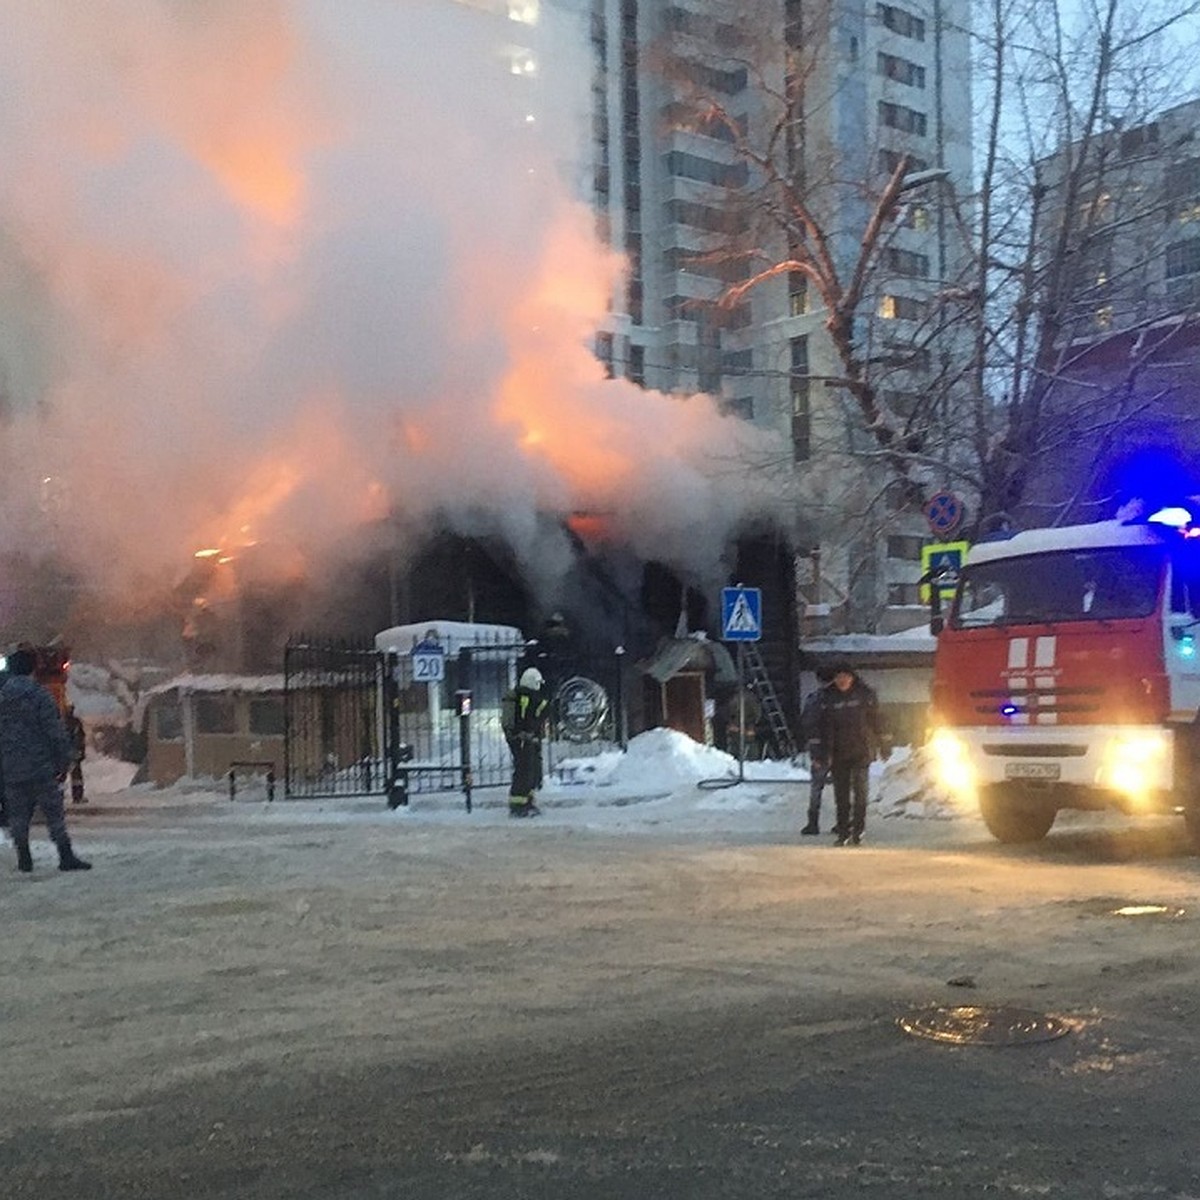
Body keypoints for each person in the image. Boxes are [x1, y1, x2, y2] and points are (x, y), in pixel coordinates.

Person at [0, 647, 91, 873]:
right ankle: (65, 855)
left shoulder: (2, 697)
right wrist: (64, 760)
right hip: (40, 766)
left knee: (18, 815)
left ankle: (24, 857)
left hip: (11, 767)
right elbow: (54, 731)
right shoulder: (39, 696)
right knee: (54, 813)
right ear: (33, 668)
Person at [815, 662, 884, 847]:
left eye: (845, 677)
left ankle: (858, 830)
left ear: (852, 678)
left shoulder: (864, 694)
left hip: (861, 751)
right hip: (838, 753)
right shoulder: (827, 698)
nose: (842, 681)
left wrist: (884, 743)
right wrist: (821, 753)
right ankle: (843, 831)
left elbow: (877, 720)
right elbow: (821, 728)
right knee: (841, 796)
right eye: (838, 677)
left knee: (861, 794)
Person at [505, 666, 549, 818]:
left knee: (529, 770)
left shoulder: (525, 697)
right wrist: (522, 735)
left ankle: (527, 801)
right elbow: (525, 720)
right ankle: (518, 805)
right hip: (522, 739)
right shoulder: (523, 698)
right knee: (523, 771)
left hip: (526, 739)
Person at [798, 668, 833, 835]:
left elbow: (808, 725)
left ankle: (813, 823)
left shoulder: (814, 699)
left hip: (820, 749)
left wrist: (814, 751)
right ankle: (844, 822)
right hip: (841, 749)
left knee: (816, 787)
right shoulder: (841, 697)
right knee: (844, 788)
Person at [65, 704, 87, 804]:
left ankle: (59, 796)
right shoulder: (75, 722)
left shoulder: (59, 721)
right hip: (73, 751)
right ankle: (78, 796)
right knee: (76, 775)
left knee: (61, 775)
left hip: (65, 751)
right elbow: (80, 738)